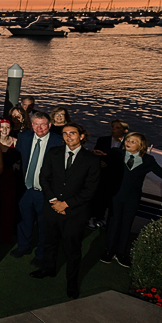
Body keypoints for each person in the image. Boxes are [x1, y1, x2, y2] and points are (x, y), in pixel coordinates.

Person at [30, 123, 101, 299]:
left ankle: (72, 283)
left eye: (72, 133)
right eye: (65, 133)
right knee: (49, 242)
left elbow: (90, 190)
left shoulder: (91, 160)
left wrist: (66, 204)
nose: (68, 136)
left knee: (73, 249)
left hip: (75, 212)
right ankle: (48, 268)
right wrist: (54, 201)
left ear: (82, 136)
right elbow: (44, 178)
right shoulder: (53, 153)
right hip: (51, 208)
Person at [100, 132, 162, 267]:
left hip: (132, 198)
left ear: (141, 146)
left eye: (133, 141)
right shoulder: (116, 153)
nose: (128, 142)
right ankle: (108, 251)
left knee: (126, 225)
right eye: (127, 140)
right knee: (113, 223)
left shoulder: (148, 160)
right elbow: (103, 165)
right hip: (116, 195)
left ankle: (121, 253)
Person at [11, 112, 63, 263]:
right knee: (24, 220)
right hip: (26, 189)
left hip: (45, 192)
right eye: (36, 124)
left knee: (44, 224)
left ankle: (41, 253)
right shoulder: (24, 137)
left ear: (49, 126)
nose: (39, 128)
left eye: (43, 125)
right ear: (32, 125)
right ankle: (23, 246)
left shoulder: (58, 141)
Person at [90, 119, 130, 229]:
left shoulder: (128, 143)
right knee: (99, 197)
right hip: (103, 175)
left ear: (125, 130)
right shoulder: (103, 140)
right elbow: (95, 154)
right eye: (112, 127)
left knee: (112, 200)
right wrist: (99, 161)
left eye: (117, 128)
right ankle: (96, 218)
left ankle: (107, 221)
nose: (114, 130)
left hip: (118, 176)